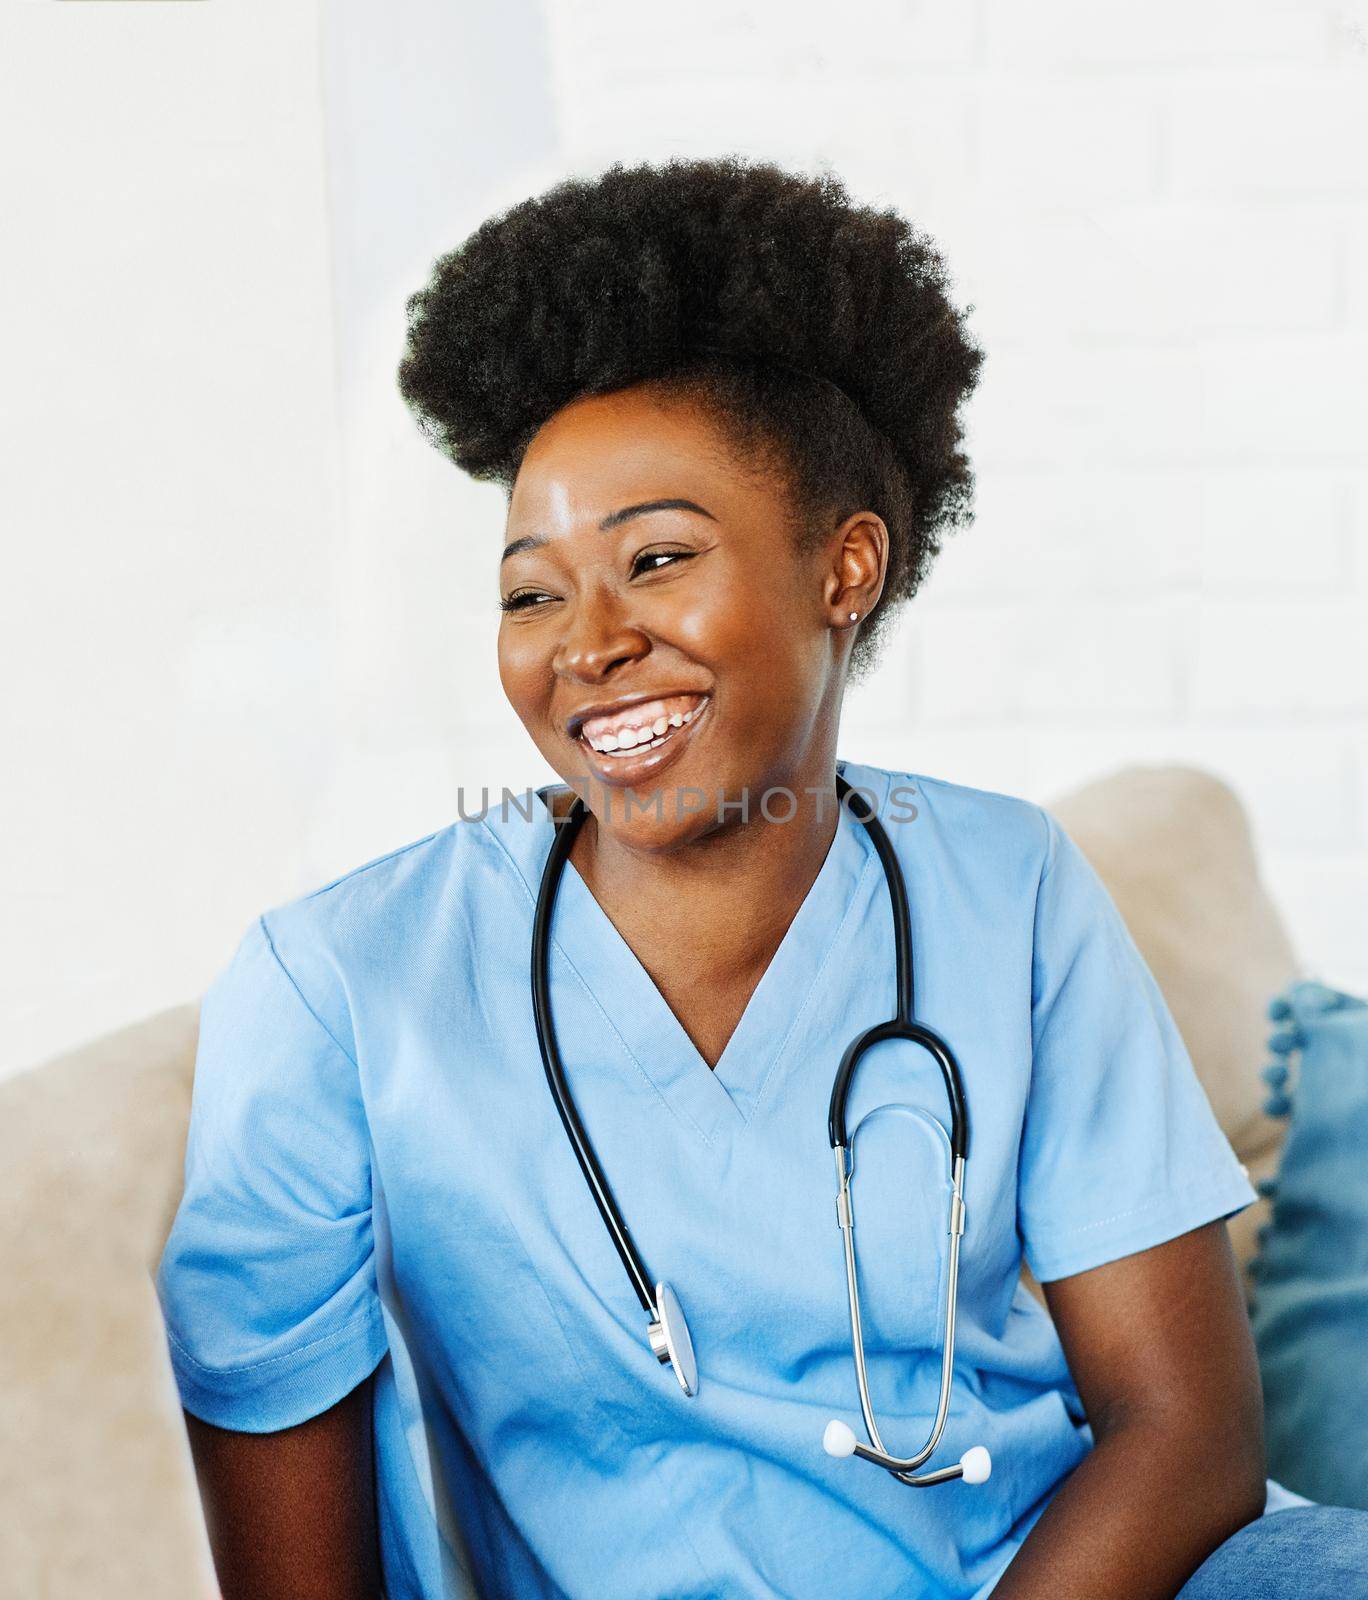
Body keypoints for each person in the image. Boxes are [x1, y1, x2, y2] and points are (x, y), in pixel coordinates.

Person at [154, 156, 1368, 1599]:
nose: (586, 642)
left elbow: (1187, 1428)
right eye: (533, 590)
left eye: (656, 558)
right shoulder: (338, 992)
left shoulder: (1005, 886)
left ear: (844, 569)